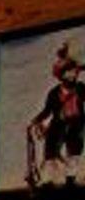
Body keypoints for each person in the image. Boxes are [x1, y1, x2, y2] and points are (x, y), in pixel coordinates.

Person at [28, 41, 84, 190]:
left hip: (77, 124)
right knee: (50, 153)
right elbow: (47, 111)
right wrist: (35, 120)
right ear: (61, 75)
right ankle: (49, 181)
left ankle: (70, 181)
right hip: (59, 124)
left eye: (74, 71)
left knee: (74, 152)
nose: (73, 74)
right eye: (69, 72)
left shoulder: (81, 88)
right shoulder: (54, 93)